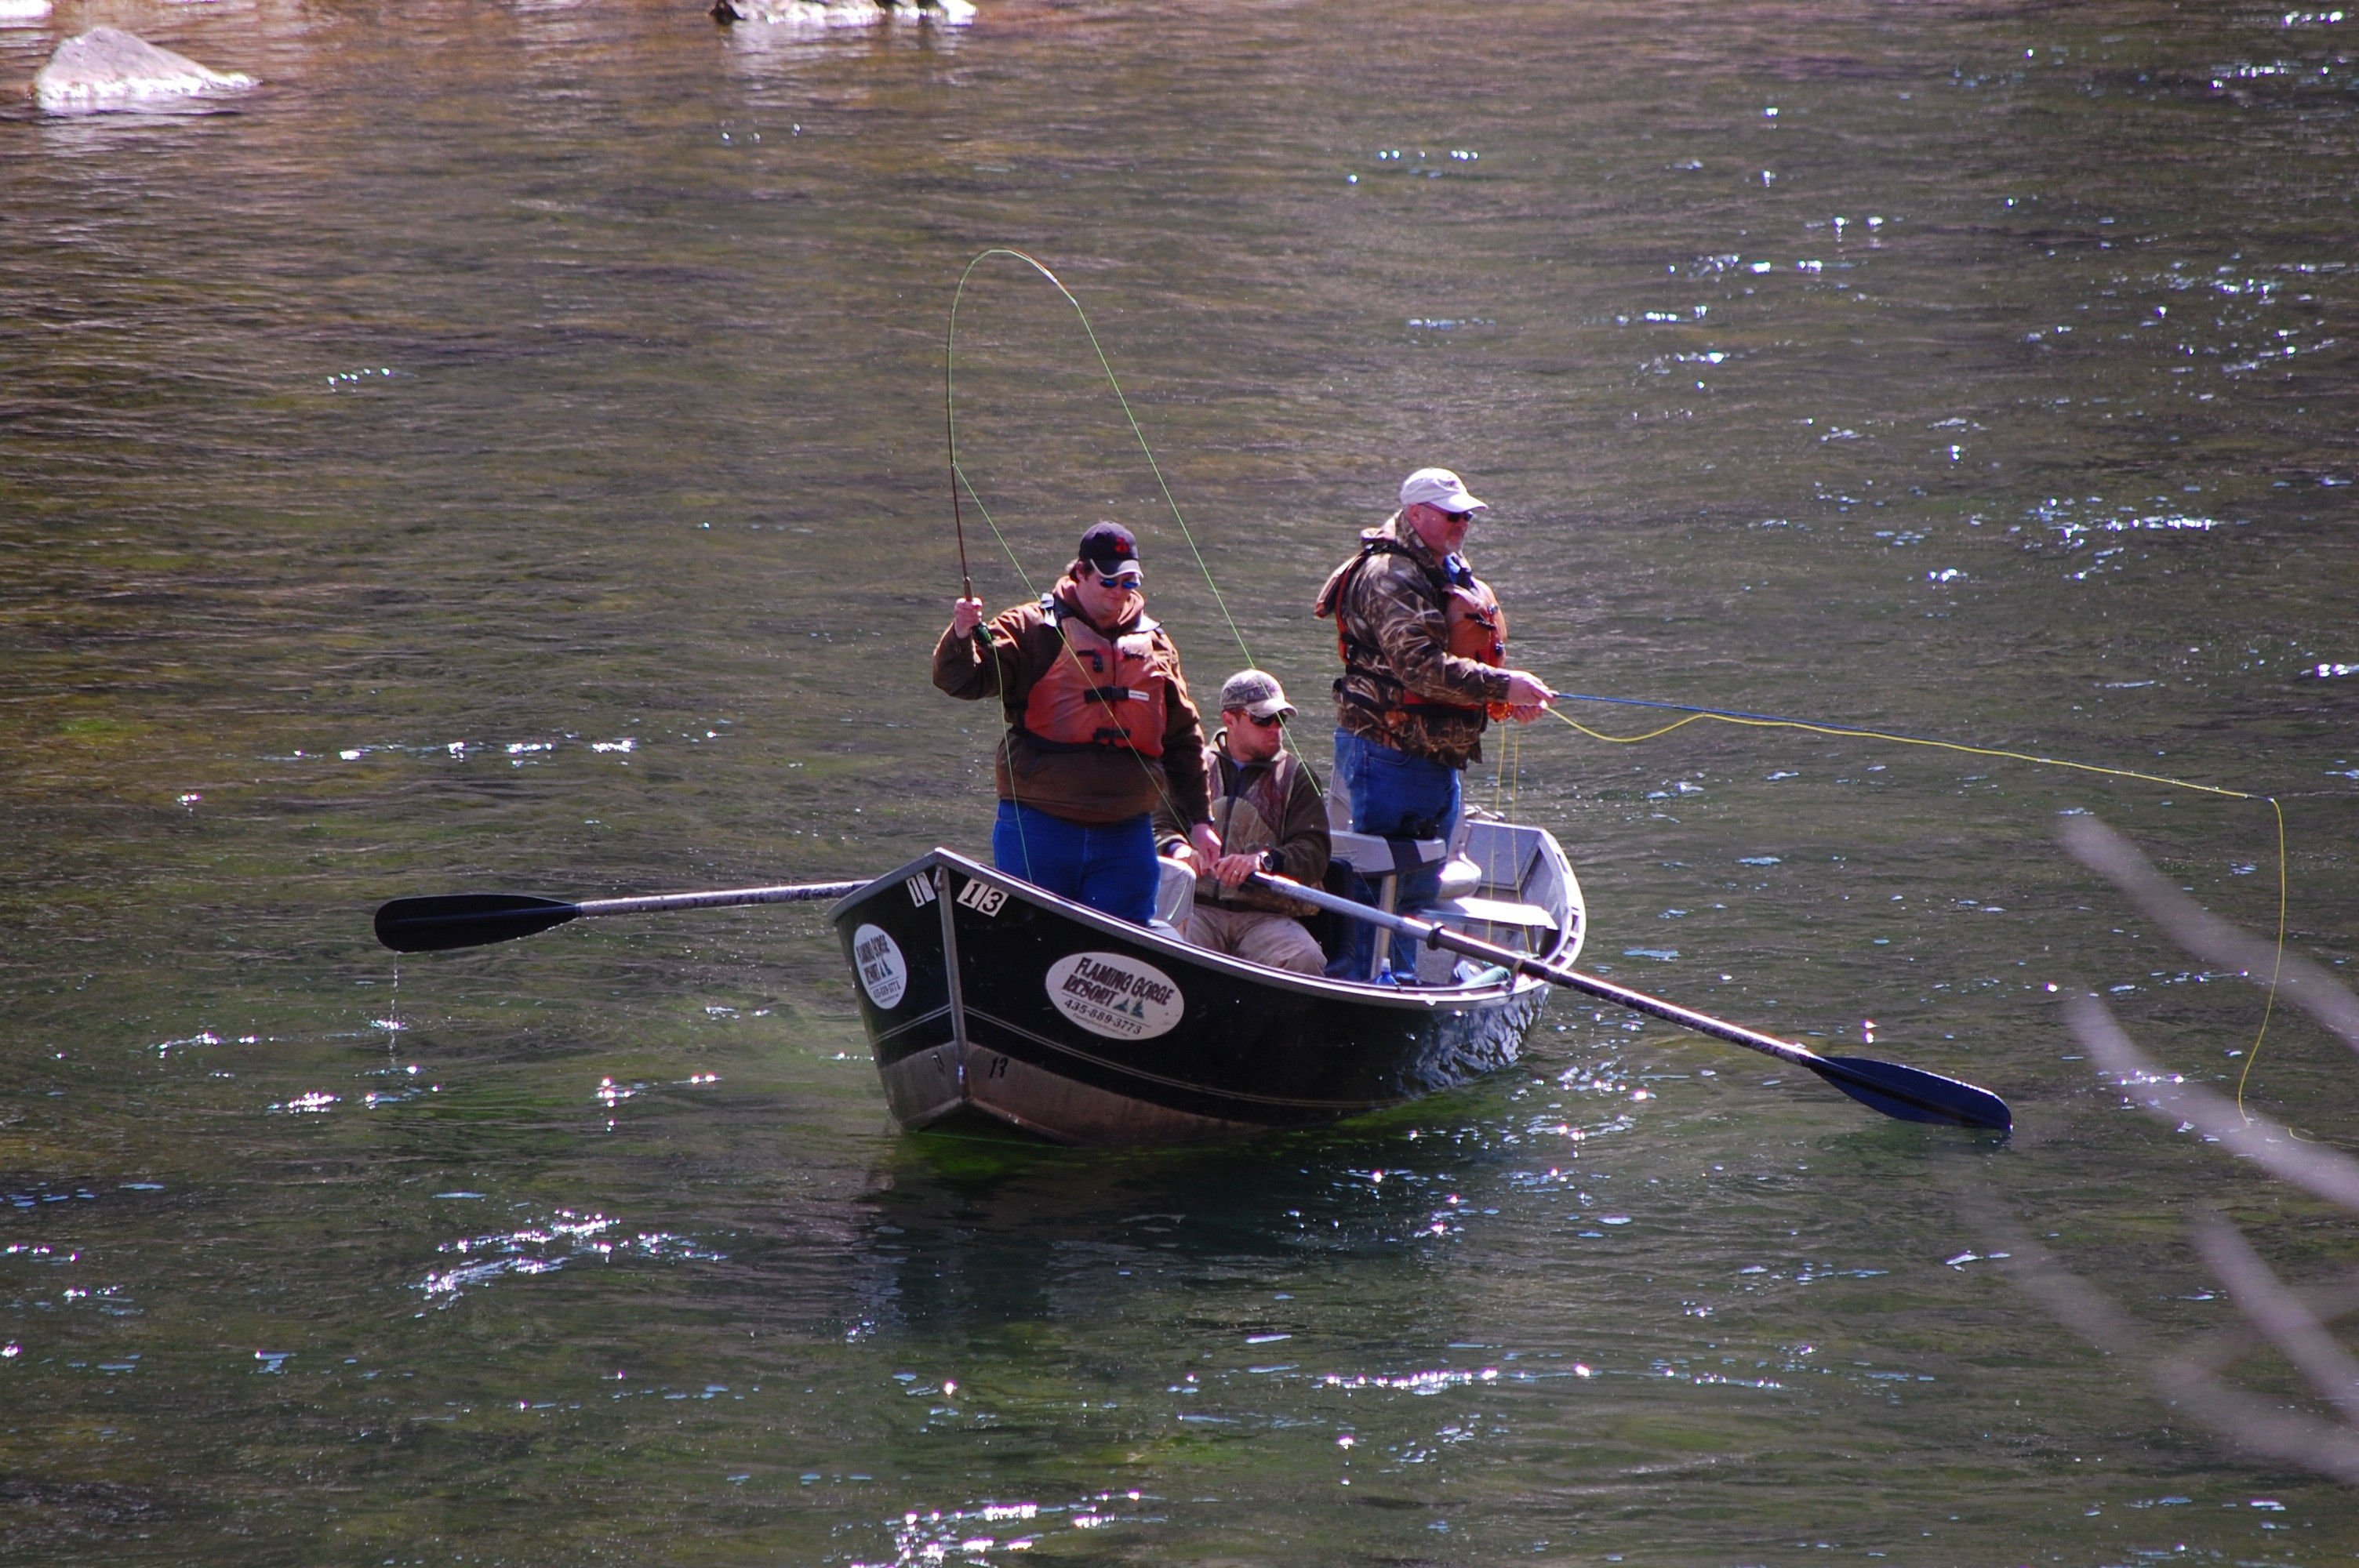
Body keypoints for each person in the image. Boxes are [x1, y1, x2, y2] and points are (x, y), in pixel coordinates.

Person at [1314, 467, 1553, 972]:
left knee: (1415, 888)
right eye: (1453, 515)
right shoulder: (1391, 577)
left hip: (1431, 758)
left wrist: (1503, 700)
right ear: (1416, 515)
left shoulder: (1442, 567)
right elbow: (1419, 667)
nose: (1463, 523)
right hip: (1390, 753)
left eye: (1467, 515)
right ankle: (1364, 984)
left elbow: (1463, 654)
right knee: (1383, 885)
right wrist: (1503, 687)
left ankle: (1394, 976)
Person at [934, 522, 1222, 924]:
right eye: (1109, 580)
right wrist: (961, 634)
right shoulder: (1030, 629)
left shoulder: (1156, 644)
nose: (1120, 591)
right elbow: (961, 680)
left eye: (1129, 580)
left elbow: (1183, 737)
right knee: (1029, 933)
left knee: (1121, 950)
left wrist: (1200, 821)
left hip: (1126, 834)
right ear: (1081, 572)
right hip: (1040, 826)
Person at [1152, 670, 1332, 976]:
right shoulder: (1190, 770)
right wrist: (1179, 850)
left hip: (1266, 917)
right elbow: (1156, 827)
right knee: (1157, 946)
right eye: (1263, 720)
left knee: (1305, 958)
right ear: (1229, 719)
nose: (1275, 729)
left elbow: (1314, 852)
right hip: (1196, 909)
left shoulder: (1297, 777)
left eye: (1281, 720)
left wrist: (1264, 861)